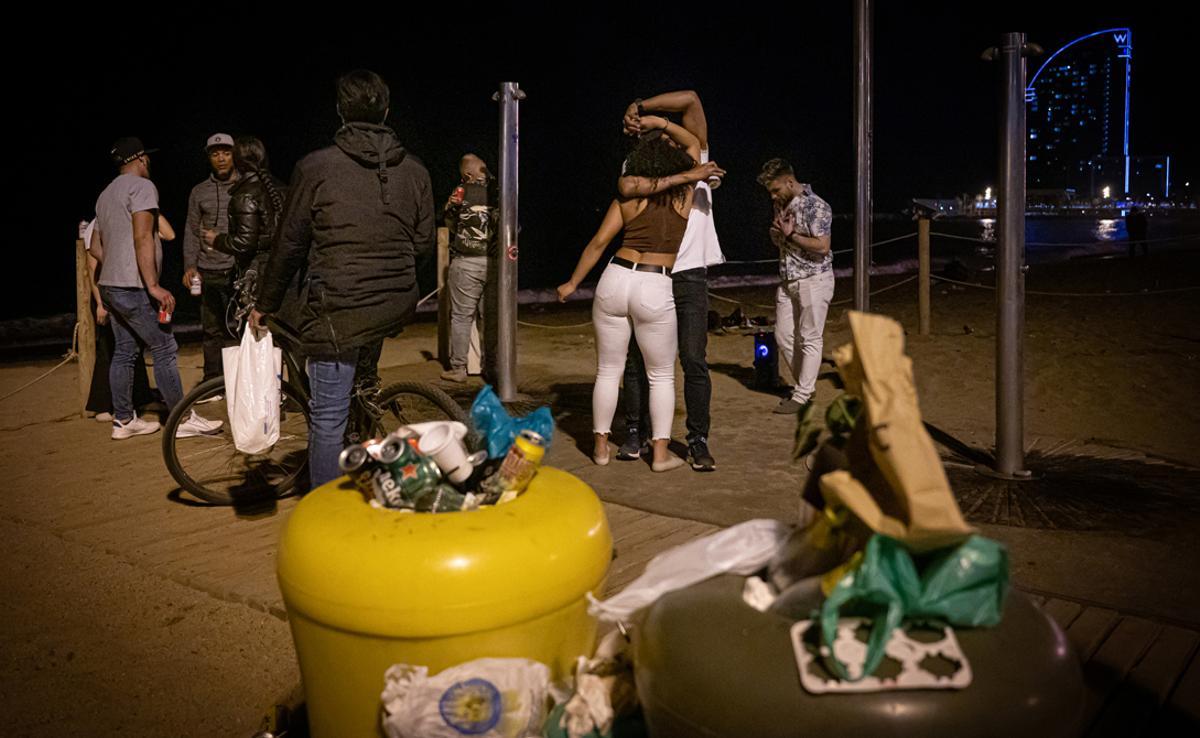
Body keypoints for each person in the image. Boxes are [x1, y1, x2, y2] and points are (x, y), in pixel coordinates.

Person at [252, 69, 435, 489]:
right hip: (395, 299)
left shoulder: (315, 167)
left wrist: (265, 302)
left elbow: (290, 244)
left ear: (340, 111)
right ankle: (365, 427)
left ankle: (322, 512)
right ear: (386, 110)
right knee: (361, 375)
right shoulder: (417, 171)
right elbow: (423, 244)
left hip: (339, 307)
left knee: (326, 414)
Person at [558, 116, 721, 472]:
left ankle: (600, 449)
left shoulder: (627, 194)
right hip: (653, 282)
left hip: (615, 278)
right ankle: (660, 456)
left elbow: (598, 243)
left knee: (608, 370)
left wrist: (572, 283)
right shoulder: (684, 194)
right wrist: (664, 126)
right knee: (661, 374)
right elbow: (692, 142)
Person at [617, 90, 725, 471]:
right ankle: (636, 431)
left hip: (691, 275)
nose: (671, 139)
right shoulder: (644, 170)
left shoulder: (696, 163)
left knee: (694, 360)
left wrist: (645, 109)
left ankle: (697, 440)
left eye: (675, 135)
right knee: (637, 361)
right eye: (662, 138)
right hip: (649, 275)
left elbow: (693, 100)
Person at [91, 137, 222, 440]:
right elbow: (143, 237)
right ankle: (182, 419)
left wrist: (116, 265)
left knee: (124, 350)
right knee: (164, 347)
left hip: (110, 285)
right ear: (142, 159)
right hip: (132, 287)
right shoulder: (142, 187)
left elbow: (97, 246)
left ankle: (124, 420)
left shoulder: (106, 194)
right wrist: (153, 285)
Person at [757, 158, 834, 415]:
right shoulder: (781, 204)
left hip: (814, 278)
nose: (772, 196)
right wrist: (777, 233)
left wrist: (791, 235)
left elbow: (822, 247)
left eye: (776, 189)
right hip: (788, 278)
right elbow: (778, 241)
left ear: (790, 182)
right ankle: (805, 386)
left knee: (810, 337)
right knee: (783, 335)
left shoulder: (817, 206)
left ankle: (802, 394)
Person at [80, 215, 171, 421]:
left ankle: (136, 401)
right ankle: (103, 404)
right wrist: (101, 305)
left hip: (130, 292)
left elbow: (169, 234)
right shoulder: (100, 223)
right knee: (110, 348)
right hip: (109, 294)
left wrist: (153, 210)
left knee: (130, 349)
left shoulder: (137, 219)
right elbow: (93, 267)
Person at [183, 133, 240, 389]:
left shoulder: (245, 185)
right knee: (211, 330)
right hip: (208, 270)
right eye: (216, 153)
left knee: (240, 329)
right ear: (209, 157)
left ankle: (242, 380)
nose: (221, 158)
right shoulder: (199, 191)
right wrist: (190, 265)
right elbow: (191, 230)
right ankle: (214, 382)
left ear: (234, 154)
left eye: (226, 152)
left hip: (237, 269)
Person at [440, 153, 498, 384]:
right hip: (493, 264)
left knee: (462, 317)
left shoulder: (460, 193)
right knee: (491, 319)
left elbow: (450, 224)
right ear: (472, 174)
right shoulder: (497, 194)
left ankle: (459, 368)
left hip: (465, 262)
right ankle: (493, 368)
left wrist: (450, 207)